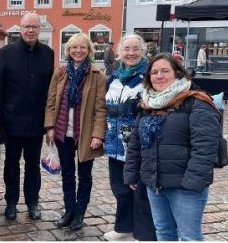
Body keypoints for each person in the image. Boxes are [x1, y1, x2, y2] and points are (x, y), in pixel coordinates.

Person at [124, 53, 220, 241]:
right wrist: (132, 173)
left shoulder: (197, 101)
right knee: (164, 233)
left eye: (165, 71)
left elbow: (205, 148)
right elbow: (136, 143)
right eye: (154, 72)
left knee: (189, 237)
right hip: (155, 184)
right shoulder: (148, 104)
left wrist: (192, 184)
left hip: (185, 187)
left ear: (177, 73)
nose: (159, 76)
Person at [0, 12, 54, 221]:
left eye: (34, 27)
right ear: (20, 28)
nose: (30, 30)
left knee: (33, 165)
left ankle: (32, 202)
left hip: (36, 122)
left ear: (40, 29)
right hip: (12, 121)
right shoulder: (7, 52)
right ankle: (10, 202)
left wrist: (49, 124)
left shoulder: (48, 53)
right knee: (11, 164)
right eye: (27, 26)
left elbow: (50, 90)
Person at [44, 33, 107, 231]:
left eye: (82, 47)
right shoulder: (61, 72)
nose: (78, 51)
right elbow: (51, 101)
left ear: (89, 50)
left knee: (85, 176)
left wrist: (98, 134)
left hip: (86, 134)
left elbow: (100, 109)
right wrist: (50, 127)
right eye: (73, 48)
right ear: (68, 51)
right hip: (63, 132)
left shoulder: (97, 76)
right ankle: (69, 210)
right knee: (68, 175)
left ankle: (80, 213)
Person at [103, 34, 156, 241]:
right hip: (115, 144)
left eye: (135, 49)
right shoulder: (114, 78)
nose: (131, 53)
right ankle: (124, 226)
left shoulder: (149, 76)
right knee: (120, 188)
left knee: (140, 190)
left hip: (140, 145)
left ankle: (143, 233)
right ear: (119, 52)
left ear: (142, 51)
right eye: (127, 49)